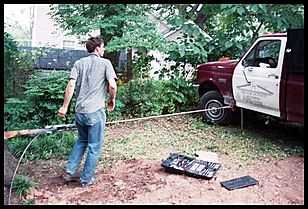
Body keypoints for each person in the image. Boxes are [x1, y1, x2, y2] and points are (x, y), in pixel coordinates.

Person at [57, 36, 117, 188]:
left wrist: (65, 107)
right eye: (103, 47)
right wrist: (112, 99)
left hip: (79, 112)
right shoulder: (106, 63)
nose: (104, 49)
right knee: (94, 146)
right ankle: (86, 179)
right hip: (95, 112)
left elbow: (70, 85)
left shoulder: (79, 63)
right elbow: (113, 85)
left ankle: (70, 172)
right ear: (97, 48)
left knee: (82, 141)